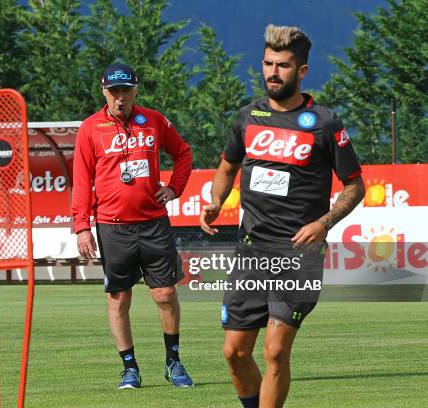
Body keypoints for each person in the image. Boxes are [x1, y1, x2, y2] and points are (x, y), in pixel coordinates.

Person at [199, 25, 365, 408]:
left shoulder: (324, 123)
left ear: (301, 71)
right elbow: (227, 166)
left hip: (298, 254)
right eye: (268, 64)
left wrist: (323, 223)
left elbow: (355, 187)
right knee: (234, 352)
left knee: (275, 351)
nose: (274, 72)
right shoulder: (248, 117)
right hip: (251, 251)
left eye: (284, 65)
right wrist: (216, 200)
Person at [72, 63, 194, 389]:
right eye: (114, 92)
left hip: (153, 223)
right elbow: (82, 180)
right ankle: (129, 368)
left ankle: (174, 362)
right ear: (104, 92)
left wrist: (174, 188)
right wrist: (82, 226)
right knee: (118, 300)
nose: (120, 97)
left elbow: (183, 153)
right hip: (113, 228)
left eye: (125, 90)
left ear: (135, 90)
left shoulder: (153, 121)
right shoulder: (90, 128)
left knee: (165, 293)